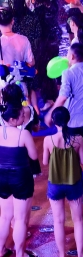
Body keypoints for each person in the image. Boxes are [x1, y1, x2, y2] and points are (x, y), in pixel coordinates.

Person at [44, 43, 83, 202]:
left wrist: (50, 113)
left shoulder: (67, 73)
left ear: (71, 56)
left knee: (74, 159)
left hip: (72, 124)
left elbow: (63, 96)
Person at [43, 107, 83, 257]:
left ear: (54, 121)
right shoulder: (78, 139)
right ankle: (80, 254)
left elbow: (45, 162)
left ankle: (62, 254)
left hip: (55, 184)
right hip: (74, 183)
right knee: (78, 220)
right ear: (68, 120)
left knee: (58, 221)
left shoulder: (48, 140)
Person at [0, 86, 38, 257]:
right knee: (21, 219)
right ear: (13, 119)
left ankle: (1, 250)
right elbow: (34, 156)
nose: (24, 117)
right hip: (21, 178)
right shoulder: (23, 135)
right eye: (22, 116)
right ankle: (20, 254)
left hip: (2, 177)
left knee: (4, 217)